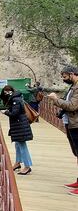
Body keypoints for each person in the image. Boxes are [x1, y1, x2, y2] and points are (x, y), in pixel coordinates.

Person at [47, 65, 78, 194]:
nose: (64, 79)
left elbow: (72, 106)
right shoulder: (73, 87)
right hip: (71, 123)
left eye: (65, 76)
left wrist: (55, 99)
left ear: (72, 74)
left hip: (76, 124)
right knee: (77, 153)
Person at [0, 85, 33, 175]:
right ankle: (17, 163)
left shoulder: (15, 100)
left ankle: (27, 166)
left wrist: (5, 112)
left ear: (8, 92)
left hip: (20, 125)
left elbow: (14, 113)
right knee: (18, 145)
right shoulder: (16, 98)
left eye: (5, 93)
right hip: (18, 125)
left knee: (22, 145)